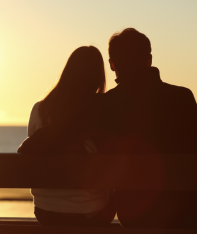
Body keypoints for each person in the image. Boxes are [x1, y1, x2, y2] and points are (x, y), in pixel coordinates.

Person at [19, 28, 197, 228]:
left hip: (138, 220)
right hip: (187, 217)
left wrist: (33, 144)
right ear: (149, 60)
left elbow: (49, 139)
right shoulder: (184, 98)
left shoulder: (105, 105)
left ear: (112, 65)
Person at [27, 46, 116, 226]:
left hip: (45, 211)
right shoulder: (101, 110)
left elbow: (33, 153)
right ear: (98, 76)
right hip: (90, 213)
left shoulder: (40, 110)